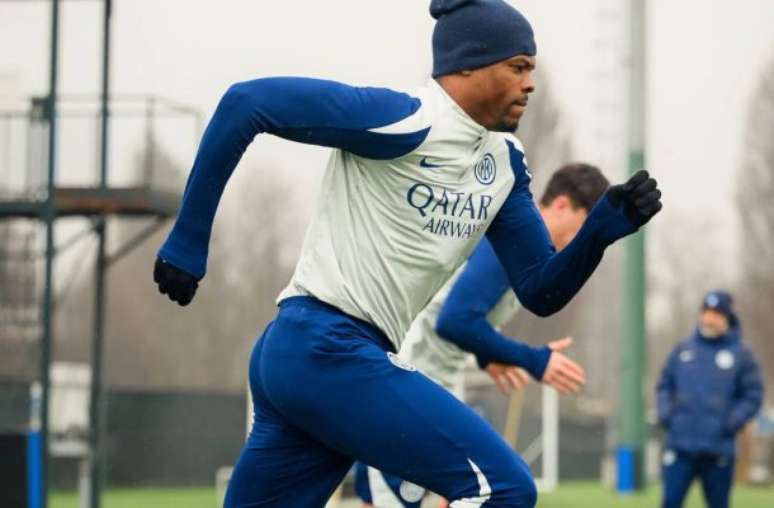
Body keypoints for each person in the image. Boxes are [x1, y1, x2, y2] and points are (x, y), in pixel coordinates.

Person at [153, 1, 662, 506]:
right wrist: (188, 240)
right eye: (518, 67)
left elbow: (540, 290)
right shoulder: (404, 119)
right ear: (468, 63)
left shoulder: (505, 164)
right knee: (504, 489)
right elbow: (246, 103)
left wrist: (598, 233)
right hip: (322, 345)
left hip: (320, 360)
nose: (530, 83)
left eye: (532, 69)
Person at [355, 163, 609, 508]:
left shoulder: (523, 251)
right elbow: (454, 320)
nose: (581, 240)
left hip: (425, 389)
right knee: (499, 486)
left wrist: (487, 356)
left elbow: (457, 313)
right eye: (584, 225)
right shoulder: (511, 240)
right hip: (403, 388)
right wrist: (535, 360)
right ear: (562, 205)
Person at [656, 290, 763, 508]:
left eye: (716, 313)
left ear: (727, 318)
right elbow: (664, 385)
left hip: (718, 449)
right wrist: (666, 413)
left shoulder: (741, 354)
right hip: (680, 446)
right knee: (670, 502)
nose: (709, 318)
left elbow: (753, 395)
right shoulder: (683, 350)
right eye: (706, 312)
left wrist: (731, 421)